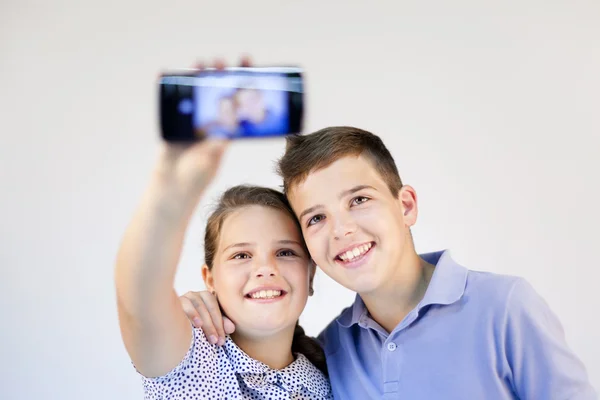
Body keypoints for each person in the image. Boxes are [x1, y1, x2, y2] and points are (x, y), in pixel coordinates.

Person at [182, 126, 597, 399]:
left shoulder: (504, 306)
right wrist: (204, 307)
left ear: (406, 205)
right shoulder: (332, 351)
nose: (341, 230)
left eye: (359, 200)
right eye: (317, 218)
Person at [114, 60, 332, 399]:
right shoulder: (191, 360)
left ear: (311, 273)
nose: (265, 268)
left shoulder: (329, 375)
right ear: (210, 278)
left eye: (286, 251)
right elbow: (138, 299)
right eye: (241, 254)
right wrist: (171, 187)